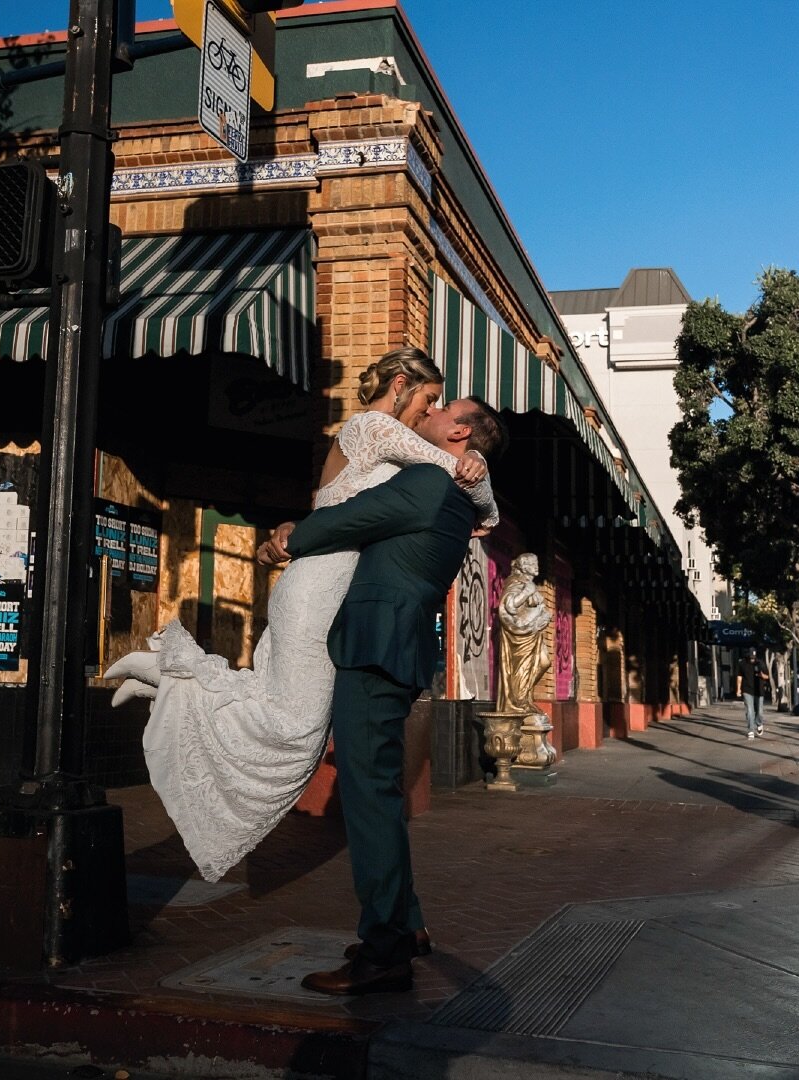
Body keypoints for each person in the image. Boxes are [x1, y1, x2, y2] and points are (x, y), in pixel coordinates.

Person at [105, 349, 499, 883]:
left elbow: (437, 498)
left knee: (284, 709)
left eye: (437, 405)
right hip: (319, 586)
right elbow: (459, 479)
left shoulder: (388, 442)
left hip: (324, 584)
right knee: (297, 726)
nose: (428, 411)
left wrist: (477, 481)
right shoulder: (376, 428)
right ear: (401, 384)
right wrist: (475, 474)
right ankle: (170, 673)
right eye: (429, 399)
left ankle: (170, 678)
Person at [258, 396, 509, 996]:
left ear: (458, 430)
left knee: (368, 802)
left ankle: (384, 952)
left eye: (443, 407)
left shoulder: (426, 482)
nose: (429, 412)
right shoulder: (453, 496)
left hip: (374, 649)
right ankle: (409, 925)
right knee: (382, 797)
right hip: (399, 649)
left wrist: (286, 538)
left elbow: (342, 521)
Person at [495, 552, 551, 715]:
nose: (537, 566)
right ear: (525, 566)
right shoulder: (516, 582)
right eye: (533, 563)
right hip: (519, 635)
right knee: (522, 668)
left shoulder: (528, 583)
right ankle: (518, 702)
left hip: (532, 632)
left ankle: (524, 698)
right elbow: (508, 606)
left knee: (543, 662)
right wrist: (527, 592)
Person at [735, 646, 769, 739]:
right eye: (751, 658)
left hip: (759, 691)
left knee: (760, 711)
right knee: (750, 710)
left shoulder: (760, 663)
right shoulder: (742, 663)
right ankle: (750, 729)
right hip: (747, 690)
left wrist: (762, 675)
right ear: (748, 656)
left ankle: (759, 723)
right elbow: (739, 677)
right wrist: (738, 689)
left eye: (753, 658)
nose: (752, 660)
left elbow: (767, 676)